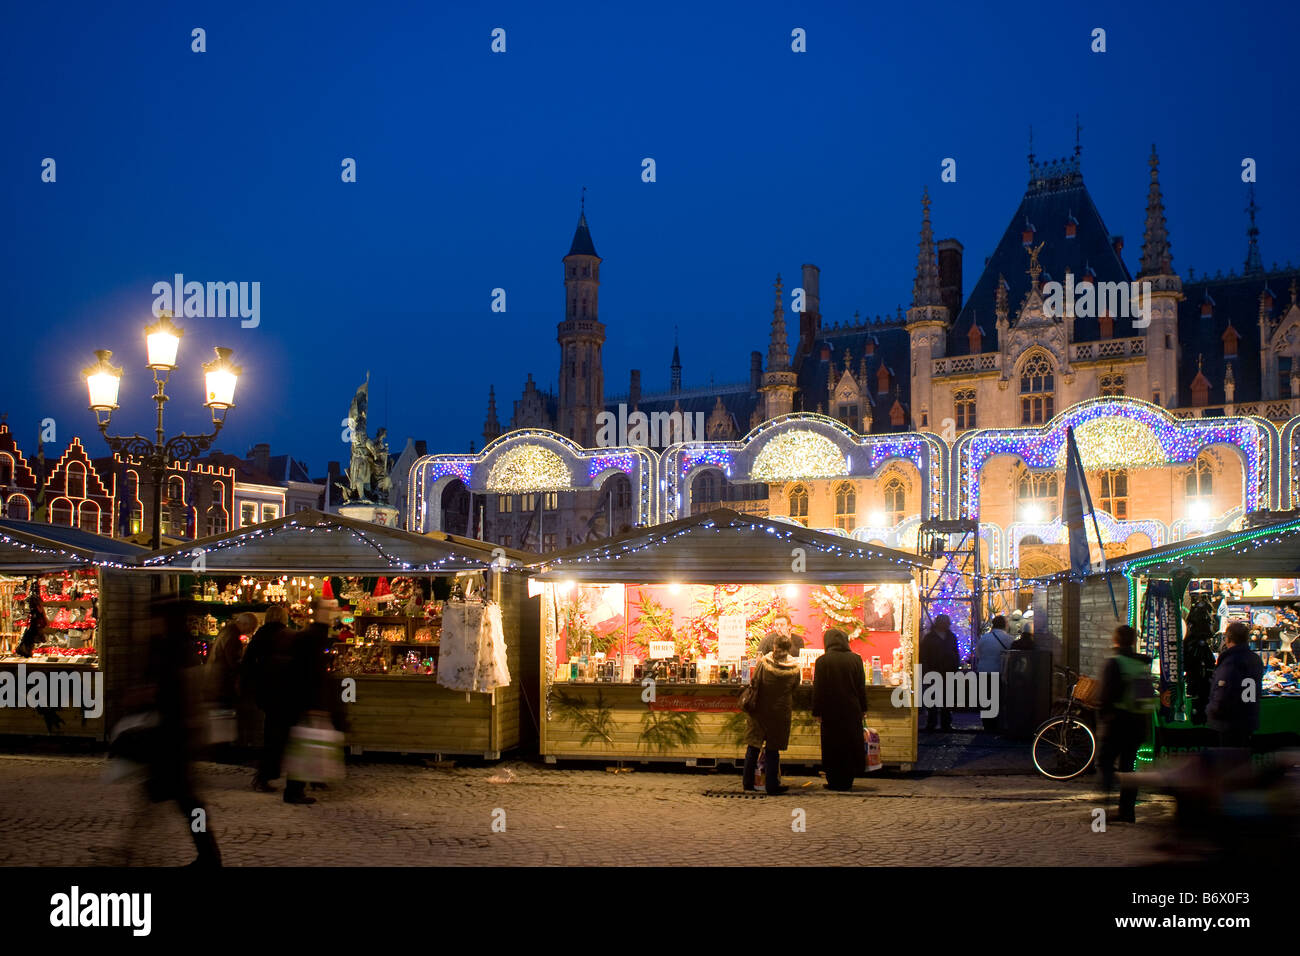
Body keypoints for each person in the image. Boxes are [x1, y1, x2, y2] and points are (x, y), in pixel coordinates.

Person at [116, 598, 221, 866]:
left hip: (174, 738)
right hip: (171, 736)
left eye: (152, 619)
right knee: (175, 801)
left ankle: (207, 854)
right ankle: (132, 848)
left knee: (185, 803)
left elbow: (185, 691)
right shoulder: (170, 648)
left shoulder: (175, 650)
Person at [1095, 624, 1154, 824]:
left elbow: (1107, 696)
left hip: (1118, 722)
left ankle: (1103, 808)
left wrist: (1103, 718)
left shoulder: (1115, 663)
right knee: (1129, 767)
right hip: (1138, 723)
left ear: (1116, 640)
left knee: (1105, 763)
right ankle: (1127, 811)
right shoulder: (1142, 665)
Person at [241, 606, 297, 795]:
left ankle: (267, 773)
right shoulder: (287, 636)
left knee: (272, 731)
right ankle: (270, 774)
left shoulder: (259, 636)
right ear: (284, 618)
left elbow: (247, 662)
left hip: (265, 691)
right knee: (282, 734)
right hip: (284, 691)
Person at [742, 634, 801, 795]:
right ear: (789, 648)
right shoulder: (794, 668)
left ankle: (748, 783)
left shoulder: (764, 663)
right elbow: (795, 687)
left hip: (760, 709)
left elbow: (755, 682)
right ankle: (772, 785)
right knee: (773, 750)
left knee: (753, 746)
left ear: (774, 646)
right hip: (780, 712)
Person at [811, 628, 868, 791]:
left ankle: (833, 780)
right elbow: (860, 687)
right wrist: (863, 708)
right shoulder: (856, 660)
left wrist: (817, 711)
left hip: (830, 711)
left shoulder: (822, 661)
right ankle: (848, 780)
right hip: (851, 709)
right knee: (849, 744)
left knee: (832, 746)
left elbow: (818, 688)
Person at [1206, 621, 1265, 748]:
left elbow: (1221, 693)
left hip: (1229, 721)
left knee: (1229, 760)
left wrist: (1211, 712)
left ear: (1228, 639)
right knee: (1242, 758)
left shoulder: (1230, 661)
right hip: (1248, 718)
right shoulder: (1255, 659)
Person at [919, 614, 959, 731]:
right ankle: (932, 722)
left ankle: (945, 723)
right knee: (932, 699)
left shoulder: (950, 637)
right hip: (933, 670)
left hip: (947, 671)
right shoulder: (929, 638)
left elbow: (955, 653)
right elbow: (924, 656)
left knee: (947, 699)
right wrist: (925, 670)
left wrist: (955, 667)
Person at [973, 616, 1013, 731]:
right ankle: (996, 724)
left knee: (985, 699)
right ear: (1005, 625)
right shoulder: (1008, 639)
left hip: (983, 671)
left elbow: (978, 654)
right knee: (997, 699)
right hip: (998, 672)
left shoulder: (984, 638)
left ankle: (987, 724)